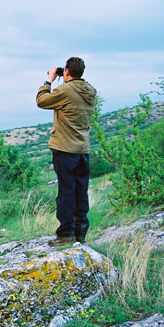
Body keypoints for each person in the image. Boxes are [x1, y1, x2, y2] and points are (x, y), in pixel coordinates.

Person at [36, 57, 97, 246]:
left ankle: (65, 234)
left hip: (65, 148)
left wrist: (49, 80)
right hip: (82, 149)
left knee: (66, 192)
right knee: (81, 191)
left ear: (67, 72)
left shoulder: (66, 90)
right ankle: (80, 233)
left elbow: (42, 101)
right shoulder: (90, 91)